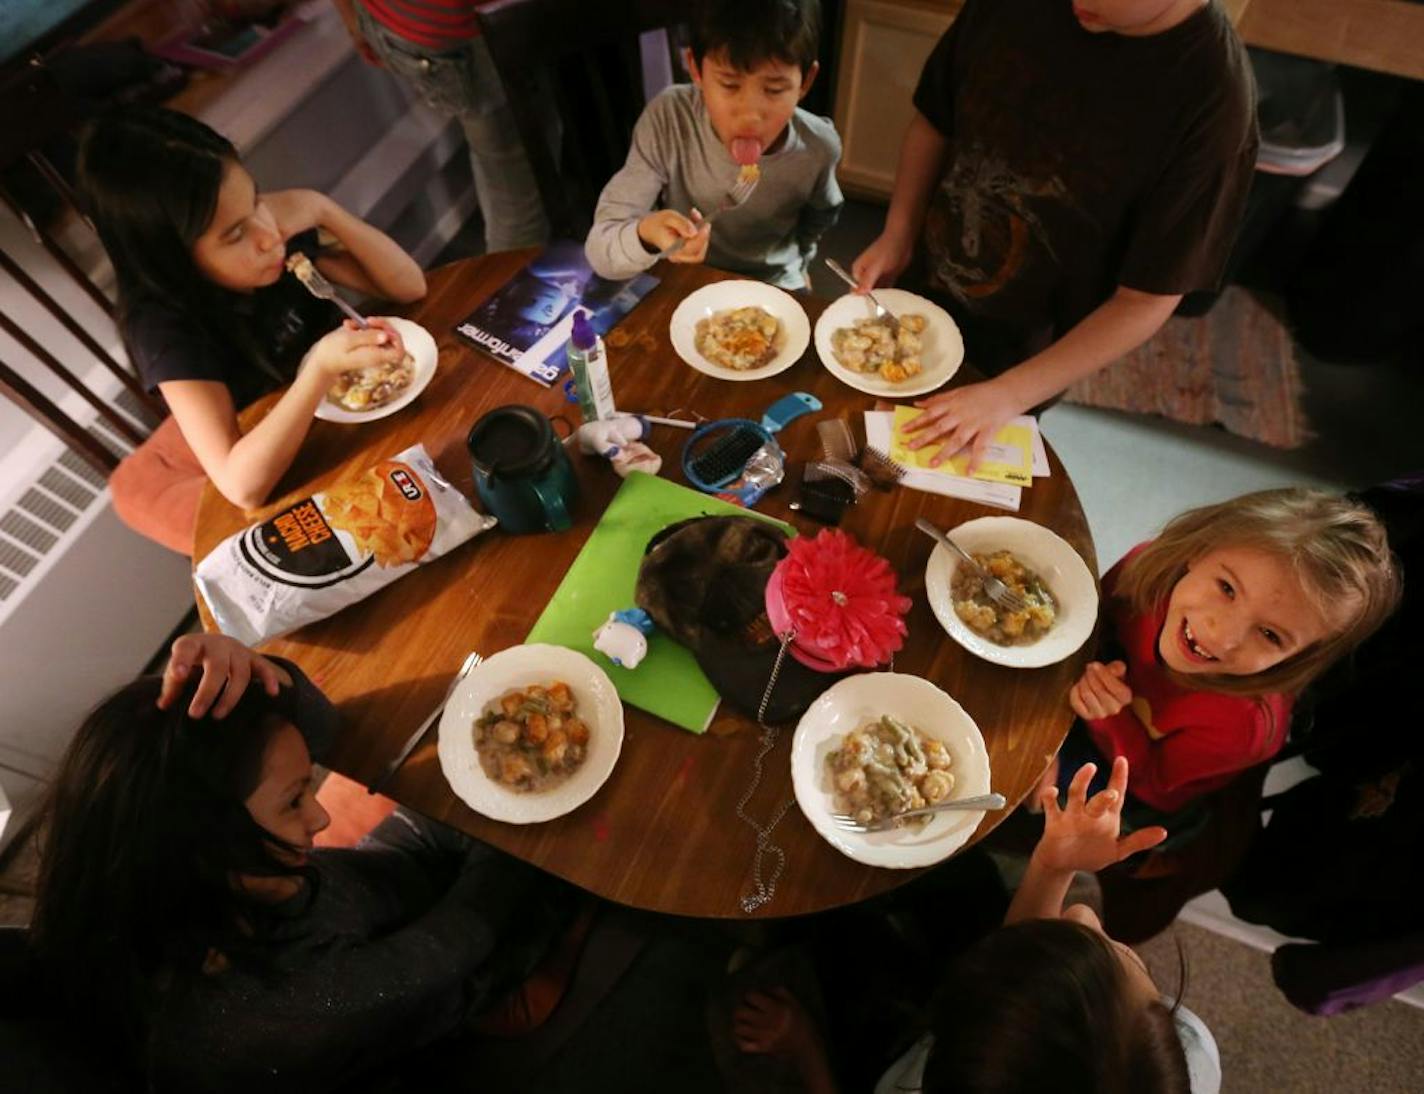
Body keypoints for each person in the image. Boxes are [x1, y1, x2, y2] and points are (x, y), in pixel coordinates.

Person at [28, 634, 550, 1091]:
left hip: (384, 900)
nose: (321, 816)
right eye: (295, 800)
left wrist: (265, 679)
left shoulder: (201, 879)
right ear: (209, 843)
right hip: (450, 978)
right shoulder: (274, 1008)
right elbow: (453, 944)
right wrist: (520, 822)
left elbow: (321, 737)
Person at [852, 0, 1258, 468]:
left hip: (1027, 353)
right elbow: (934, 121)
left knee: (935, 477)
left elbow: (1146, 301)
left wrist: (1008, 394)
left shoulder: (1214, 104)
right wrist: (899, 230)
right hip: (923, 282)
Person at [731, 758, 1218, 1092]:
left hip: (879, 1044)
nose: (1085, 917)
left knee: (824, 951)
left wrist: (805, 1047)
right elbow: (1020, 965)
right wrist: (1052, 869)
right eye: (1119, 952)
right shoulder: (1185, 1052)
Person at [79, 107, 426, 553]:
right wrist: (318, 370)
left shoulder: (266, 235)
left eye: (257, 198)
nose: (269, 236)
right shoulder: (164, 328)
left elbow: (408, 285)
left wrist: (324, 209)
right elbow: (240, 486)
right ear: (176, 260)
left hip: (349, 420)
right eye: (235, 233)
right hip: (286, 460)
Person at [1058, 487, 1400, 818]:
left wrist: (1110, 719)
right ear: (1200, 548)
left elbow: (1156, 790)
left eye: (1269, 634)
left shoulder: (1244, 727)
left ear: (1302, 656)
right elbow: (1090, 619)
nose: (1222, 636)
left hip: (1125, 779)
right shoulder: (1149, 571)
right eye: (1227, 588)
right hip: (1076, 683)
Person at [584, 0, 843, 290]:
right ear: (695, 68)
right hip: (686, 277)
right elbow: (600, 250)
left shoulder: (818, 148)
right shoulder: (670, 119)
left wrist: (802, 262)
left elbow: (820, 216)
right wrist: (647, 233)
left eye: (774, 89)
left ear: (805, 82)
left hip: (773, 282)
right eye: (730, 84)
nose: (750, 115)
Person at [330, 0, 556, 252]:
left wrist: (350, 17)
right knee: (518, 190)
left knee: (503, 159)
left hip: (399, 23)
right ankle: (511, 285)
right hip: (463, 31)